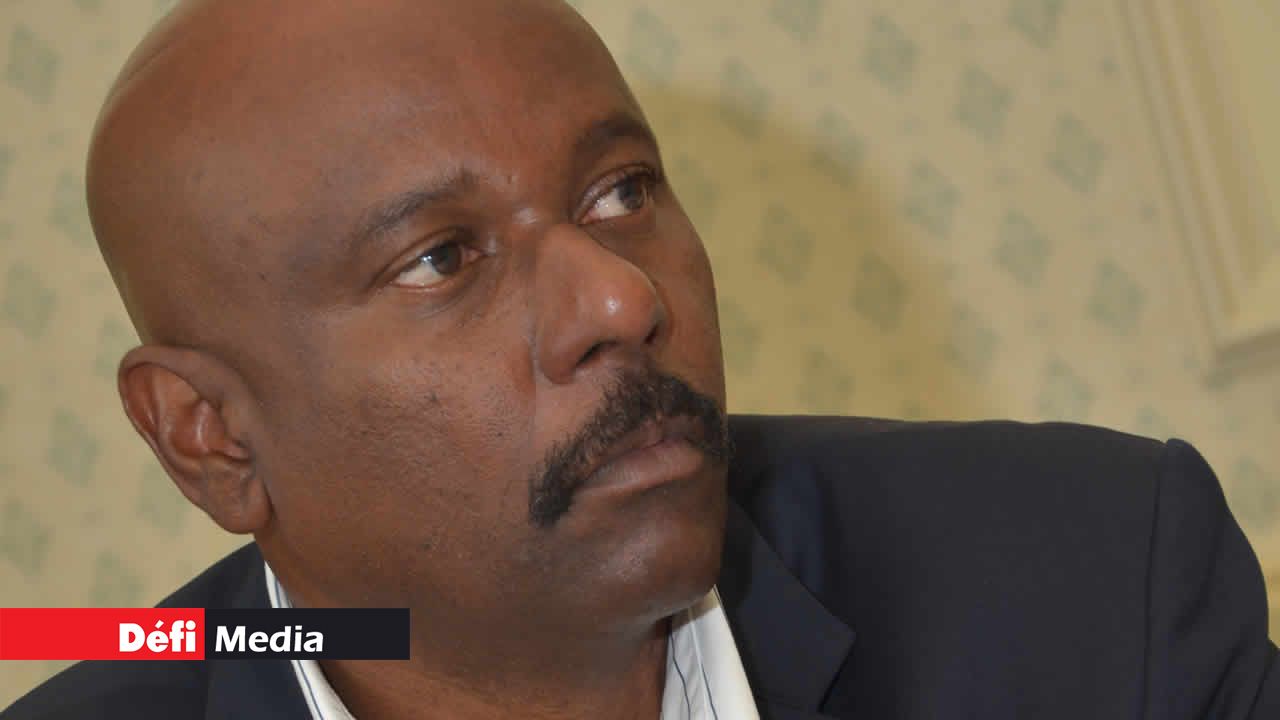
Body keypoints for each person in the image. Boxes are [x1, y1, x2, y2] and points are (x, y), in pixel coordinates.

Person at [3, 0, 1277, 718]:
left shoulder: (1096, 590)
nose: (620, 298)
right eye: (442, 258)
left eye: (619, 191)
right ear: (210, 437)